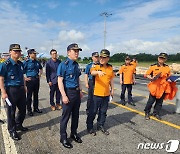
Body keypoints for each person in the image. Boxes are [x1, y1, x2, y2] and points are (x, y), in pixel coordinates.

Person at [57, 43, 83, 149]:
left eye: (78, 51)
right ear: (68, 52)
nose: (77, 53)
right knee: (65, 117)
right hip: (68, 92)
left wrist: (80, 90)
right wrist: (63, 95)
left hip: (76, 93)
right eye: (75, 51)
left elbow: (78, 79)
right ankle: (63, 137)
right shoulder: (63, 64)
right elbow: (60, 81)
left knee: (75, 115)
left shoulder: (76, 65)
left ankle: (74, 133)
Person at [0, 44, 28, 141]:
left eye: (19, 51)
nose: (17, 53)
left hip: (20, 89)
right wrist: (3, 92)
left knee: (23, 110)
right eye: (15, 51)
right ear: (10, 52)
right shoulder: (5, 64)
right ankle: (12, 130)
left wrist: (24, 86)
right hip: (11, 90)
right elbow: (1, 78)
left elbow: (22, 76)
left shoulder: (21, 64)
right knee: (11, 112)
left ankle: (18, 124)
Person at [86, 49, 114, 136]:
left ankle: (100, 125)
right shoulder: (96, 66)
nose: (101, 58)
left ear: (108, 58)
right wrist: (98, 72)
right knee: (93, 111)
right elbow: (92, 72)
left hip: (106, 94)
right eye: (100, 57)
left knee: (103, 112)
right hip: (96, 94)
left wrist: (112, 89)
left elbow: (111, 79)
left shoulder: (110, 68)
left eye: (104, 57)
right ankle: (90, 126)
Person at [144, 53, 171, 120]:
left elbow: (169, 76)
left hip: (163, 87)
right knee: (150, 101)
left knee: (159, 102)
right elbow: (146, 74)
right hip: (154, 87)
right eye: (160, 58)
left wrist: (170, 80)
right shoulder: (153, 66)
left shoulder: (167, 67)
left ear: (166, 60)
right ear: (158, 58)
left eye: (163, 58)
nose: (161, 59)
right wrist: (150, 77)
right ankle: (147, 112)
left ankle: (156, 113)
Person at [23, 49, 43, 116]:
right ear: (29, 54)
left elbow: (41, 68)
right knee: (29, 96)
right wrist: (25, 78)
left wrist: (40, 75)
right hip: (30, 80)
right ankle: (29, 110)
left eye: (35, 54)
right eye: (34, 53)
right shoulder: (26, 62)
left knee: (36, 95)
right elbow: (21, 71)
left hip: (36, 79)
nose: (35, 55)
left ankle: (36, 108)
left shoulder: (37, 62)